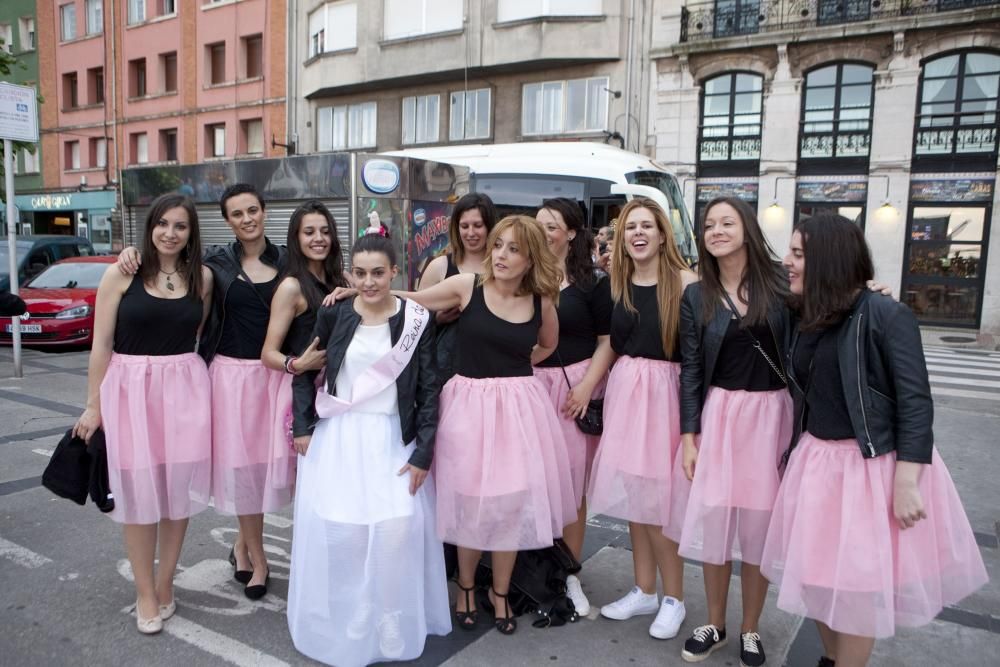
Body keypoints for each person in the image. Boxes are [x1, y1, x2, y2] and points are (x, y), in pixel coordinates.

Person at [330, 215, 576, 635]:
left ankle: (500, 593)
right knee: (467, 498)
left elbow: (548, 345)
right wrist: (359, 289)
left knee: (509, 504)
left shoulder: (541, 302)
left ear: (531, 258)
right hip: (467, 406)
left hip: (518, 409)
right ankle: (464, 586)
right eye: (498, 246)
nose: (500, 255)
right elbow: (415, 298)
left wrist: (513, 372)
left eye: (513, 249)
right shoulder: (468, 286)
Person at [760, 215, 987, 667]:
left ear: (829, 259)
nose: (787, 262)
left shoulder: (887, 314)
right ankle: (832, 658)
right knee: (818, 581)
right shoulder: (801, 312)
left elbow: (916, 402)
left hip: (870, 469)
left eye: (799, 254)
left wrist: (907, 483)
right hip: (817, 463)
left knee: (858, 592)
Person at [117, 183, 290, 600]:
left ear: (265, 212)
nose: (247, 219)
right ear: (227, 221)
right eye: (237, 213)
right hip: (229, 375)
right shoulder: (213, 263)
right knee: (242, 469)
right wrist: (130, 254)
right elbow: (179, 295)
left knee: (264, 469)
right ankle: (255, 555)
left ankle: (241, 546)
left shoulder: (288, 261)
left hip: (276, 376)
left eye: (253, 210)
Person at [287, 232, 450, 666]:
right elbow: (304, 372)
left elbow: (430, 390)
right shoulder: (334, 315)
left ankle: (390, 613)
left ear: (394, 272)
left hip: (394, 437)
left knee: (396, 529)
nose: (369, 282)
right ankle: (360, 606)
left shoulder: (415, 319)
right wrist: (302, 426)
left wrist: (423, 453)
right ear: (350, 274)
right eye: (360, 273)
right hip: (341, 436)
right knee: (350, 532)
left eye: (378, 273)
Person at [74, 193, 213, 634]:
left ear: (192, 234)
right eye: (163, 224)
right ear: (150, 226)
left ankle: (166, 582)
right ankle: (144, 591)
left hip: (185, 391)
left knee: (176, 495)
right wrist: (93, 405)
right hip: (131, 392)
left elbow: (203, 335)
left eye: (181, 226)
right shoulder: (122, 273)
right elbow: (101, 345)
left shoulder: (203, 278)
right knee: (137, 496)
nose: (170, 233)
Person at [676, 198, 791, 666]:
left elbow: (832, 308)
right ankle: (716, 623)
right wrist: (689, 435)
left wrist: (872, 290)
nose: (717, 230)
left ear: (747, 227)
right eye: (708, 225)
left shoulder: (782, 283)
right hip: (720, 416)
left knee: (759, 528)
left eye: (727, 222)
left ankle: (750, 629)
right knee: (716, 523)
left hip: (772, 418)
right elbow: (691, 368)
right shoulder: (696, 294)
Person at [587, 198, 697, 640]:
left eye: (646, 226)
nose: (637, 233)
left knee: (662, 503)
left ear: (662, 233)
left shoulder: (687, 283)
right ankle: (644, 589)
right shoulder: (621, 281)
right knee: (637, 495)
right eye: (630, 226)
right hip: (628, 395)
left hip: (666, 398)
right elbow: (613, 343)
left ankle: (675, 598)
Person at [533, 198, 614, 616]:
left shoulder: (593, 283)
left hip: (573, 391)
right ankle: (535, 572)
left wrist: (585, 388)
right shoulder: (521, 276)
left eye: (552, 225)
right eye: (539, 224)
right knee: (536, 485)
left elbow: (608, 341)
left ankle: (569, 575)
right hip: (530, 390)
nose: (544, 231)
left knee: (571, 489)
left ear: (570, 233)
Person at [260, 200, 348, 455]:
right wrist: (296, 364)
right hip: (302, 396)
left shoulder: (341, 280)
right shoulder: (291, 287)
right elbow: (268, 353)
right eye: (309, 232)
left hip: (336, 393)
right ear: (296, 238)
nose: (318, 239)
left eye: (325, 231)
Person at [417, 193, 497, 383]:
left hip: (492, 371)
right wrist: (437, 319)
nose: (471, 233)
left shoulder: (502, 268)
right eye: (464, 226)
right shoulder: (439, 266)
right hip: (446, 373)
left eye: (478, 226)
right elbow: (414, 319)